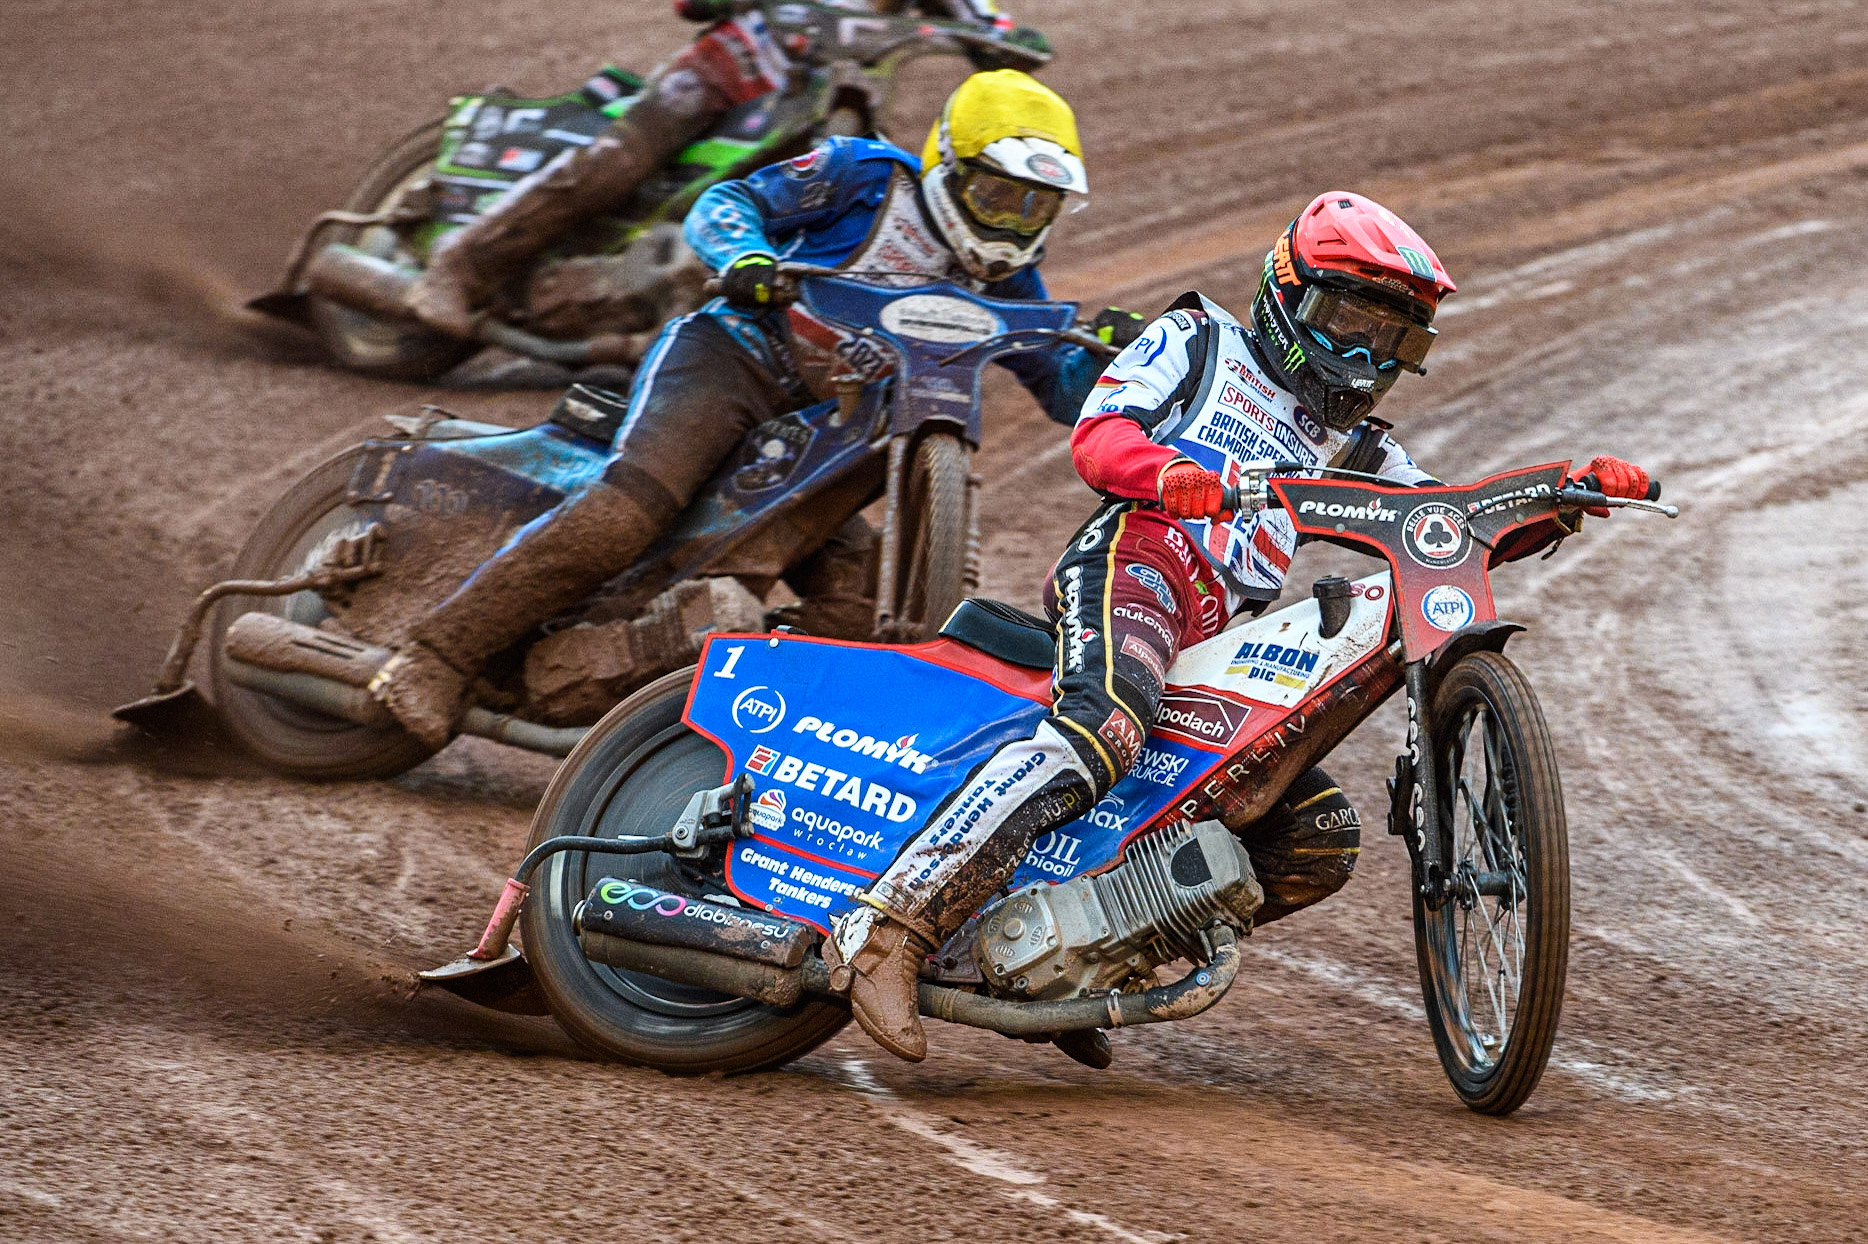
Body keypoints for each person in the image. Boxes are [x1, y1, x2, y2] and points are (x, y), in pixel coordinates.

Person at [823, 190, 1655, 1061]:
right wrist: (1169, 473)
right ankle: (890, 927)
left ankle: (1084, 956)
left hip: (1217, 636)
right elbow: (1099, 435)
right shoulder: (1198, 341)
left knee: (1315, 838)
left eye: (1391, 341)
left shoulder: (1359, 447)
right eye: (1347, 325)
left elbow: (1439, 527)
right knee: (1106, 724)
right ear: (1286, 295)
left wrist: (1559, 498)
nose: (1364, 356)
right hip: (1139, 559)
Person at [369, 69, 1139, 748]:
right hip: (734, 359)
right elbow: (728, 200)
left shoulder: (1006, 281)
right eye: (997, 195)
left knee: (866, 607)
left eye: (1035, 207)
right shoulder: (865, 175)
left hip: (831, 439)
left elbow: (1060, 389)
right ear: (950, 167)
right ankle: (436, 656)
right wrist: (744, 256)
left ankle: (718, 721)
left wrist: (1111, 362)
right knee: (623, 517)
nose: (1010, 223)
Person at [405, 0, 1048, 335]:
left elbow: (991, 29)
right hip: (730, 68)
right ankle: (461, 264)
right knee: (618, 162)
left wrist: (1012, 41)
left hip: (831, 100)